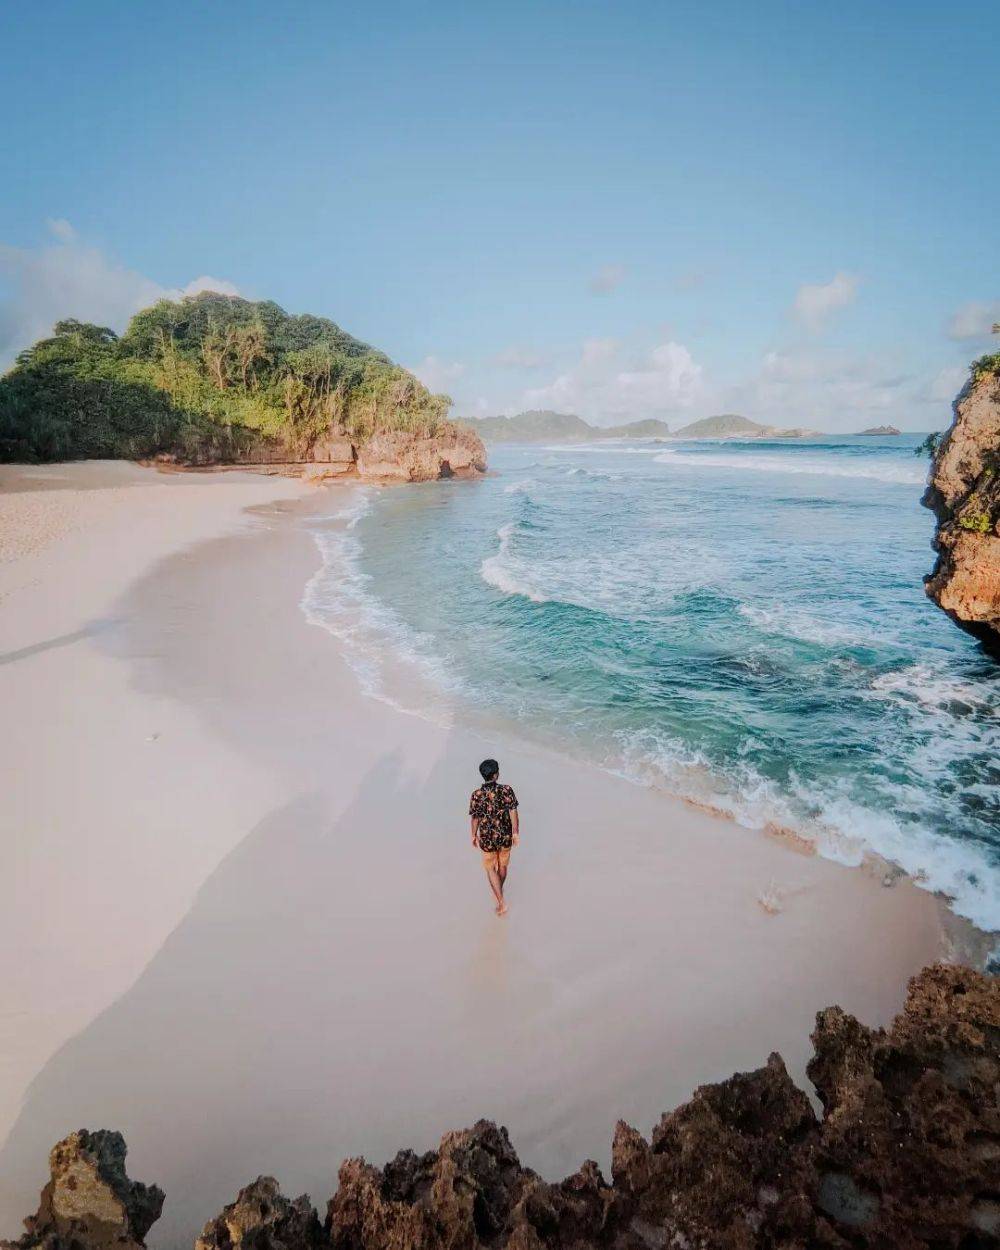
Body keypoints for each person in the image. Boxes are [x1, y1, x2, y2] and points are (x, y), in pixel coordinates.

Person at [469, 758, 519, 916]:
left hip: (487, 839)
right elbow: (513, 812)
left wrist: (473, 835)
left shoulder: (476, 795)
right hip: (505, 836)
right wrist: (516, 832)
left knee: (491, 868)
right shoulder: (506, 790)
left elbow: (475, 818)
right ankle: (499, 890)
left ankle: (501, 902)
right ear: (496, 775)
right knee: (502, 867)